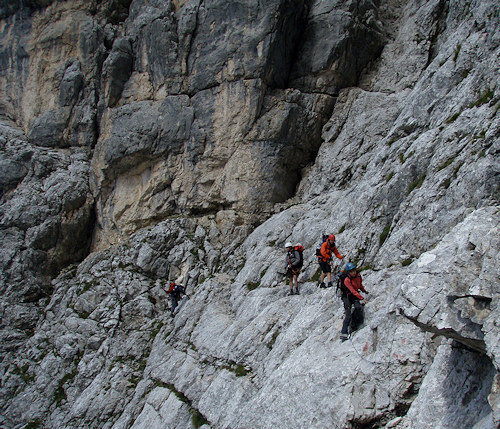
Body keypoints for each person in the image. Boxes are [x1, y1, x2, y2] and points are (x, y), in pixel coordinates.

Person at [340, 262, 368, 341]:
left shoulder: (358, 276)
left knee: (358, 308)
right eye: (351, 271)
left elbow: (359, 284)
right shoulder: (346, 280)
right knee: (348, 315)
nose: (353, 272)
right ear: (348, 272)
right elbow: (352, 291)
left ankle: (354, 325)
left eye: (354, 270)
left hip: (354, 295)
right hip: (347, 296)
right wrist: (362, 298)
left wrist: (364, 290)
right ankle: (344, 332)